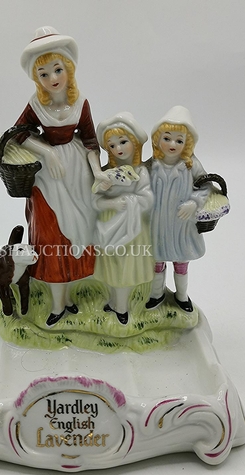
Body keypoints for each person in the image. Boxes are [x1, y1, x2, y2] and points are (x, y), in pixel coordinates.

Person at [14, 27, 110, 327]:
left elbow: (91, 141)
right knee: (50, 234)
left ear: (68, 68)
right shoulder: (36, 104)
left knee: (80, 230)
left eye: (57, 69)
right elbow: (17, 134)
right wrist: (46, 152)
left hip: (78, 173)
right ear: (36, 78)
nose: (52, 78)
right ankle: (57, 303)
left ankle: (73, 294)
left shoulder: (80, 103)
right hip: (49, 177)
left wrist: (97, 173)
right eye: (43, 74)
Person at [146, 105, 211, 312]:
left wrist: (194, 202)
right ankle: (156, 294)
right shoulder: (152, 164)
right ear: (158, 139)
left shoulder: (191, 165)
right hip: (158, 222)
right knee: (157, 259)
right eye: (167, 138)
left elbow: (207, 186)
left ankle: (181, 295)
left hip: (181, 223)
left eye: (179, 140)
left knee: (181, 260)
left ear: (187, 143)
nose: (172, 144)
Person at [93, 112, 154, 325]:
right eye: (112, 145)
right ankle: (114, 301)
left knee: (125, 267)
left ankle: (122, 308)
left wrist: (128, 200)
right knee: (112, 266)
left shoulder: (141, 172)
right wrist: (109, 200)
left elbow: (147, 200)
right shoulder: (104, 173)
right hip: (108, 224)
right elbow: (93, 201)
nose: (118, 148)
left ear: (134, 143)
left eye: (123, 142)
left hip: (132, 226)